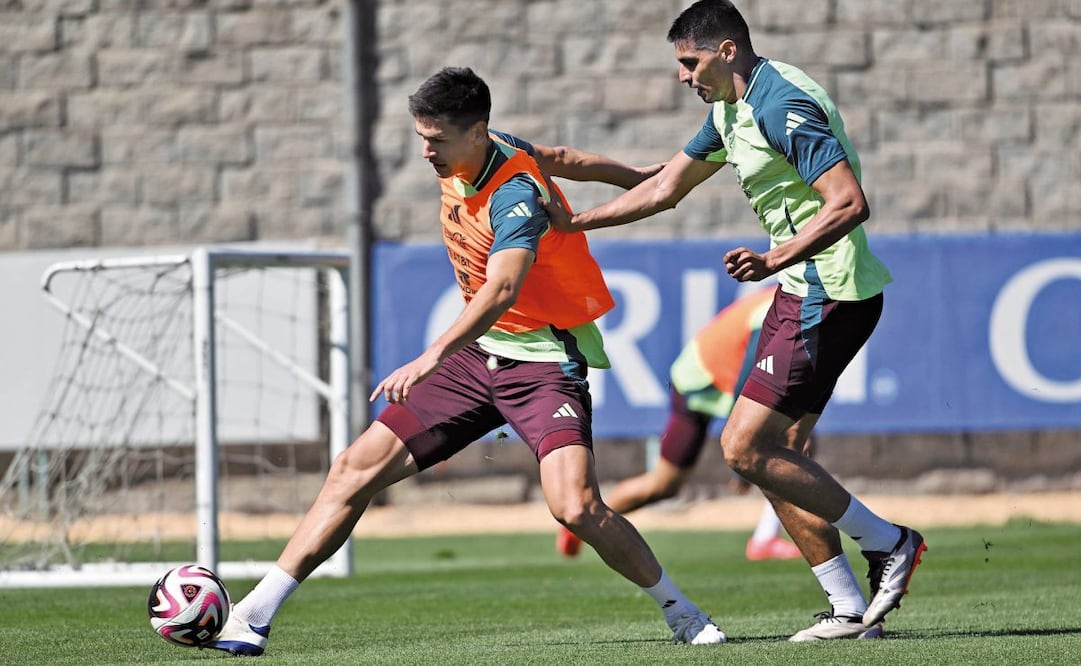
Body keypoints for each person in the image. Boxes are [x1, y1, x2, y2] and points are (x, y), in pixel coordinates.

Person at [207, 66, 725, 656]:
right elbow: (561, 155)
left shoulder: (514, 197)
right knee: (354, 467)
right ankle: (254, 614)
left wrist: (430, 356)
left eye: (437, 139)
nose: (425, 150)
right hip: (480, 356)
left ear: (476, 132)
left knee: (575, 506)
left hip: (542, 360)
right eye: (421, 135)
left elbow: (502, 290)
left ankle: (682, 612)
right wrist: (632, 175)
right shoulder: (487, 148)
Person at [540, 0, 926, 642]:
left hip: (825, 290)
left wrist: (776, 254)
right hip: (804, 287)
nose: (683, 76)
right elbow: (663, 188)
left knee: (744, 447)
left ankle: (889, 543)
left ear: (725, 51)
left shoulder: (779, 105)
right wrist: (576, 224)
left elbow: (850, 202)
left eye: (689, 62)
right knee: (778, 454)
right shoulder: (727, 110)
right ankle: (850, 609)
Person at [555, 284, 810, 562]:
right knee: (664, 484)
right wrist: (748, 449)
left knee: (797, 441)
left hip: (707, 378)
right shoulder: (781, 305)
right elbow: (751, 378)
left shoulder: (788, 297)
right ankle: (584, 518)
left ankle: (764, 538)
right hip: (698, 381)